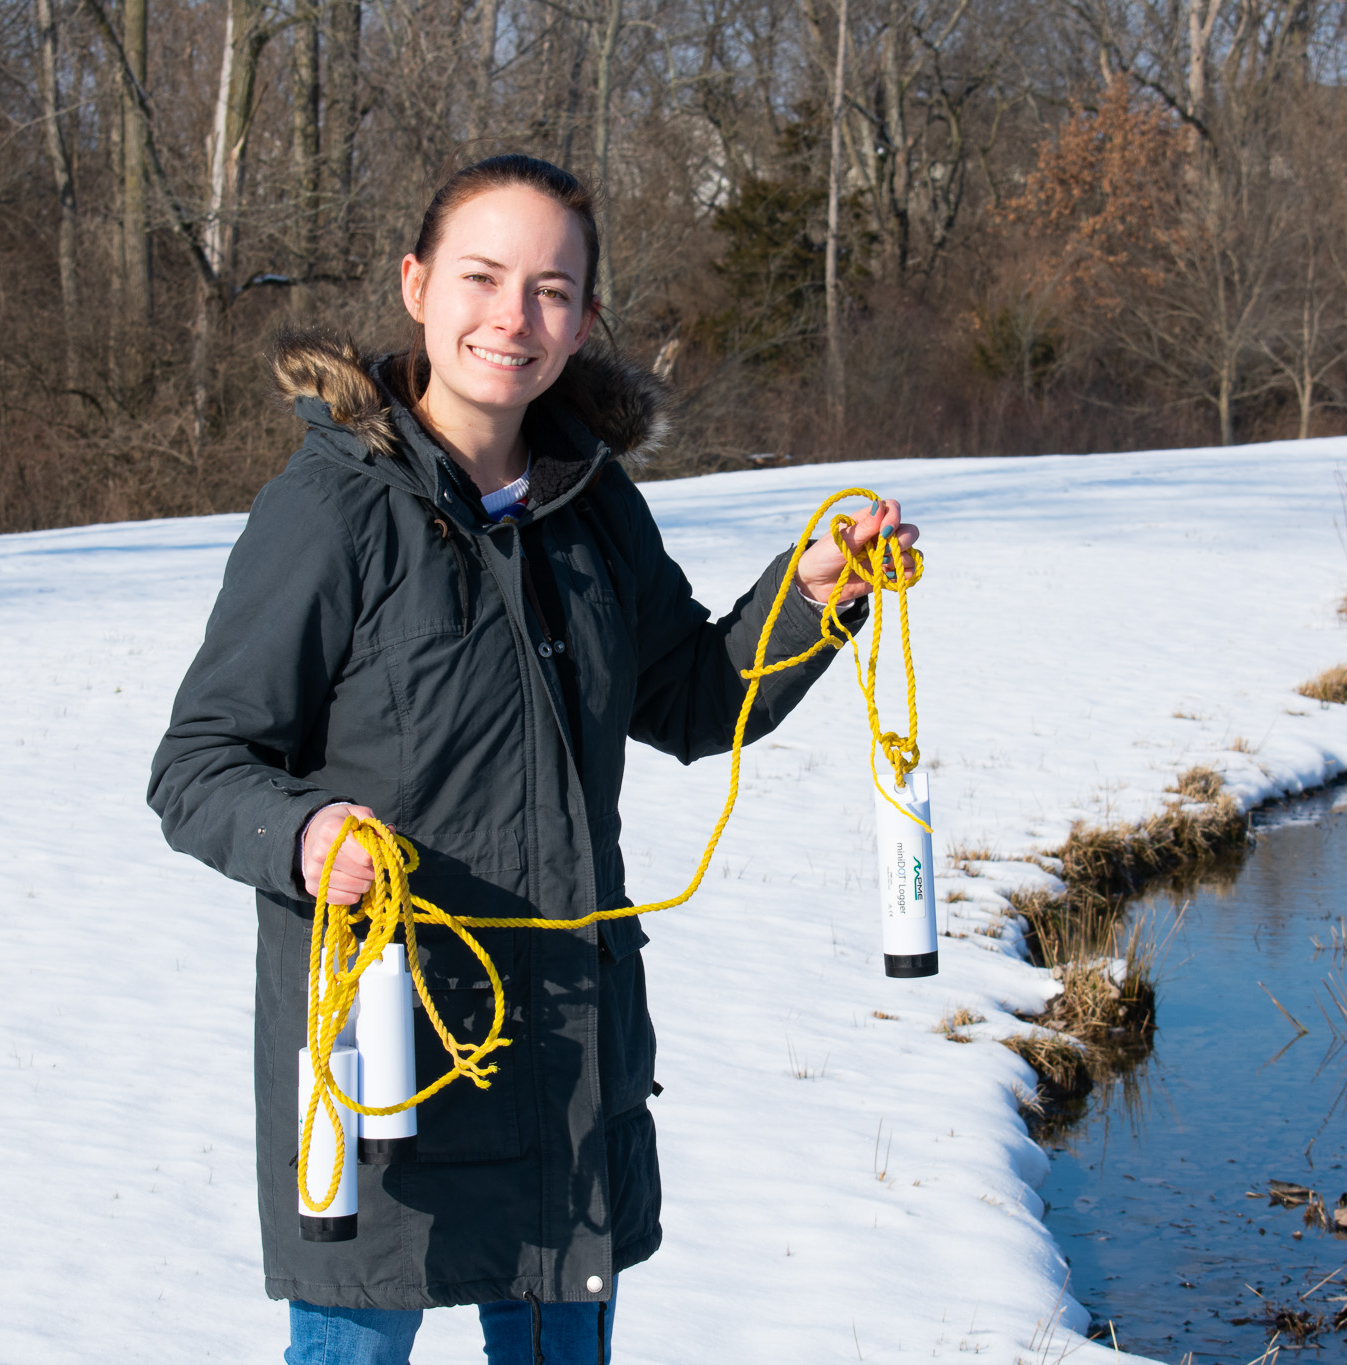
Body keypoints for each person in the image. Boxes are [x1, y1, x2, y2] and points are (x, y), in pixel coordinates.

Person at [148, 154, 920, 1365]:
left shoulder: (594, 501)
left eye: (551, 289)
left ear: (584, 321)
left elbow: (688, 696)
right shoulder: (332, 508)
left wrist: (813, 596)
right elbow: (201, 764)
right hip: (386, 1035)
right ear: (416, 285)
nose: (511, 318)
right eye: (481, 277)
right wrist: (304, 835)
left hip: (566, 1036)